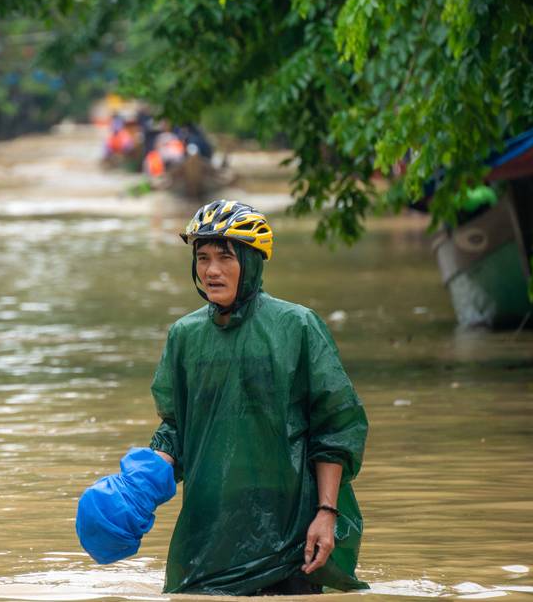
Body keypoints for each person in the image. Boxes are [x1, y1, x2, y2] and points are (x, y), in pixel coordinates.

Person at [149, 200, 369, 595]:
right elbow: (177, 430)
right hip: (206, 537)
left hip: (289, 536)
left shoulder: (297, 326)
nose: (211, 270)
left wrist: (326, 512)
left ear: (251, 262)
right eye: (202, 258)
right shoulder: (184, 337)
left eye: (224, 257)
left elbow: (334, 427)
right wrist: (137, 486)